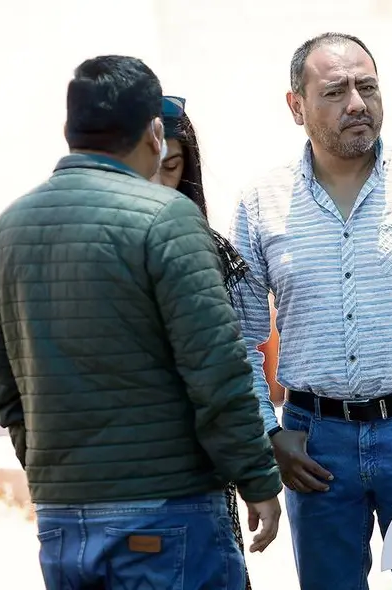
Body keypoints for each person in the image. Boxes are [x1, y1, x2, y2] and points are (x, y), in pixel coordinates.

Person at [0, 55, 282, 590]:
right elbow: (216, 369)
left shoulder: (6, 229)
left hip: (62, 518)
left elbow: (8, 394)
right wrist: (257, 478)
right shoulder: (166, 217)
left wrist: (60, 481)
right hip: (167, 512)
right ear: (155, 133)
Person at [229, 32, 392, 590]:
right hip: (313, 447)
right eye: (336, 91)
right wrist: (270, 432)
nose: (357, 104)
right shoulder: (259, 202)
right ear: (297, 106)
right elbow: (238, 340)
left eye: (367, 87)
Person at [153, 94, 254, 590]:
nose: (158, 185)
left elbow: (229, 367)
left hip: (200, 472)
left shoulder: (207, 249)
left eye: (171, 168)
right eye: (147, 168)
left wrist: (254, 473)